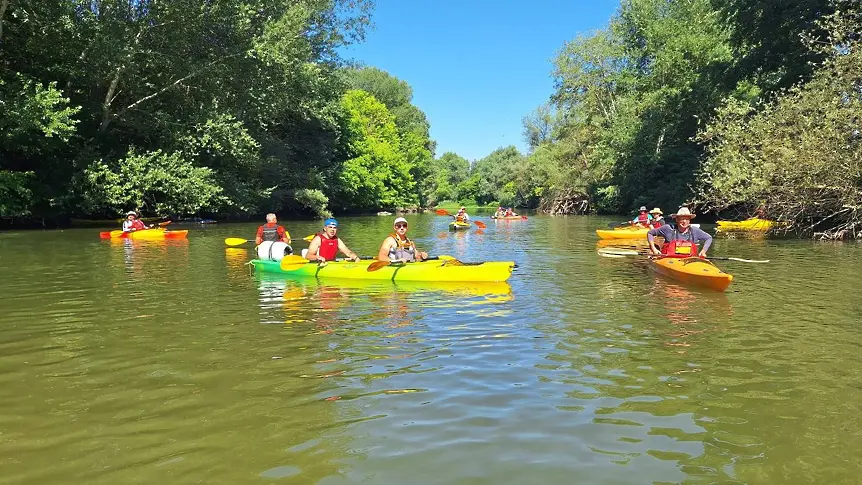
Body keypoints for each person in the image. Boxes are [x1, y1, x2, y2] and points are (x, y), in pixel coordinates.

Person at [647, 207, 713, 258]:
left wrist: (703, 251)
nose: (685, 221)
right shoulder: (668, 228)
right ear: (677, 219)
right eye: (682, 219)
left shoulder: (695, 231)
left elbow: (709, 238)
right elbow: (650, 233)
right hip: (668, 260)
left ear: (690, 220)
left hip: (689, 261)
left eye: (687, 219)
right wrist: (654, 249)